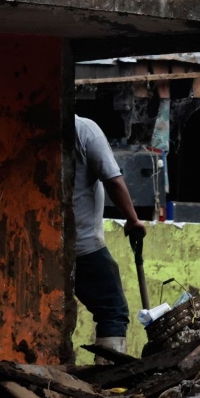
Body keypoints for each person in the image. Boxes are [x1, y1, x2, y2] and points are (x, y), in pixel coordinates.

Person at [73, 116, 147, 357]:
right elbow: (112, 180)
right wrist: (133, 219)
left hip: (43, 248)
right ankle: (109, 380)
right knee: (112, 310)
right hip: (83, 246)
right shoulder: (85, 129)